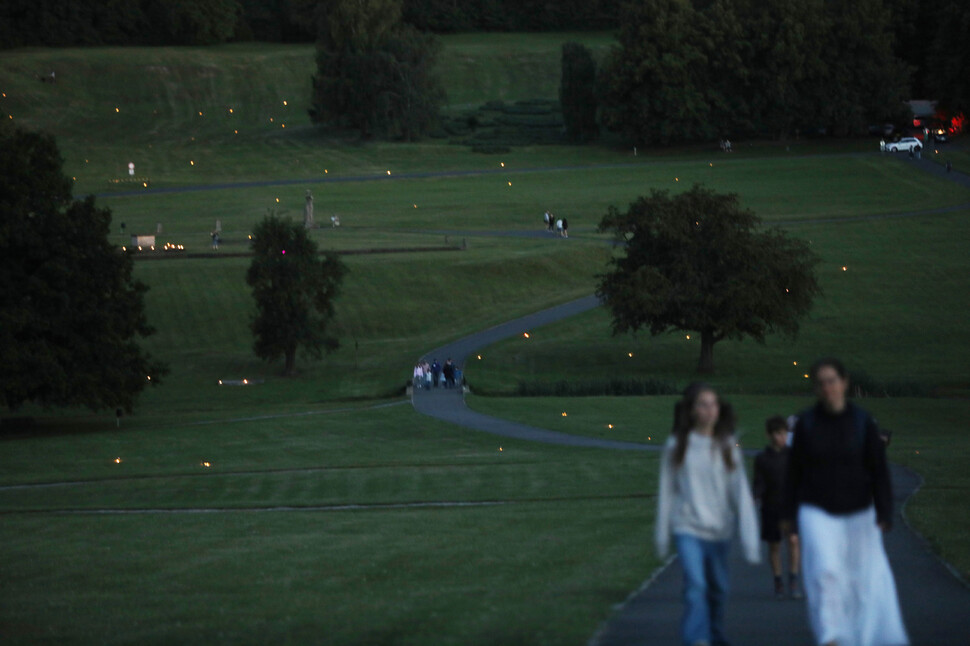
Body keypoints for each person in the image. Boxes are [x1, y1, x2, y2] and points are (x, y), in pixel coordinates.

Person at [785, 357, 908, 646]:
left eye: (832, 381)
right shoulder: (807, 424)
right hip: (817, 509)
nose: (828, 388)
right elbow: (793, 474)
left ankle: (863, 635)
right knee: (825, 571)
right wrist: (788, 516)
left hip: (859, 510)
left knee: (862, 576)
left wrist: (884, 511)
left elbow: (878, 470)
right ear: (816, 388)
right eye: (821, 383)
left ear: (844, 383)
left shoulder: (863, 422)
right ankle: (832, 635)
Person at [656, 383, 760, 646]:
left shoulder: (726, 446)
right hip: (687, 526)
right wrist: (661, 534)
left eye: (713, 403)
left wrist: (750, 539)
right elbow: (667, 491)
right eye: (702, 404)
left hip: (720, 529)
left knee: (719, 588)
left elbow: (742, 494)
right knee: (696, 585)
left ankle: (714, 633)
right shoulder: (677, 446)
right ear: (691, 410)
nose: (709, 409)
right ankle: (696, 638)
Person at [754, 416, 802, 600]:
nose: (778, 437)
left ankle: (794, 579)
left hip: (790, 506)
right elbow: (759, 482)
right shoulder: (762, 458)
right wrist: (755, 496)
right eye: (775, 433)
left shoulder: (794, 456)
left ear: (786, 434)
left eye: (782, 433)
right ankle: (778, 581)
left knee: (793, 540)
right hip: (770, 507)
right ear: (769, 435)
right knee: (774, 545)